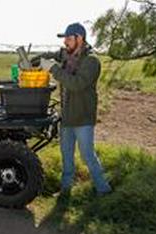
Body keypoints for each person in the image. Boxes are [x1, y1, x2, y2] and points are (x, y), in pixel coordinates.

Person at [32, 22, 112, 197]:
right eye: (65, 39)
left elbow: (76, 84)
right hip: (67, 117)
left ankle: (103, 189)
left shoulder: (91, 61)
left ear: (79, 39)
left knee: (88, 156)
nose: (65, 43)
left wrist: (53, 68)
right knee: (67, 157)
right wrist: (33, 60)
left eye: (68, 39)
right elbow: (51, 55)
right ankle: (66, 190)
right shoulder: (67, 54)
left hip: (83, 118)